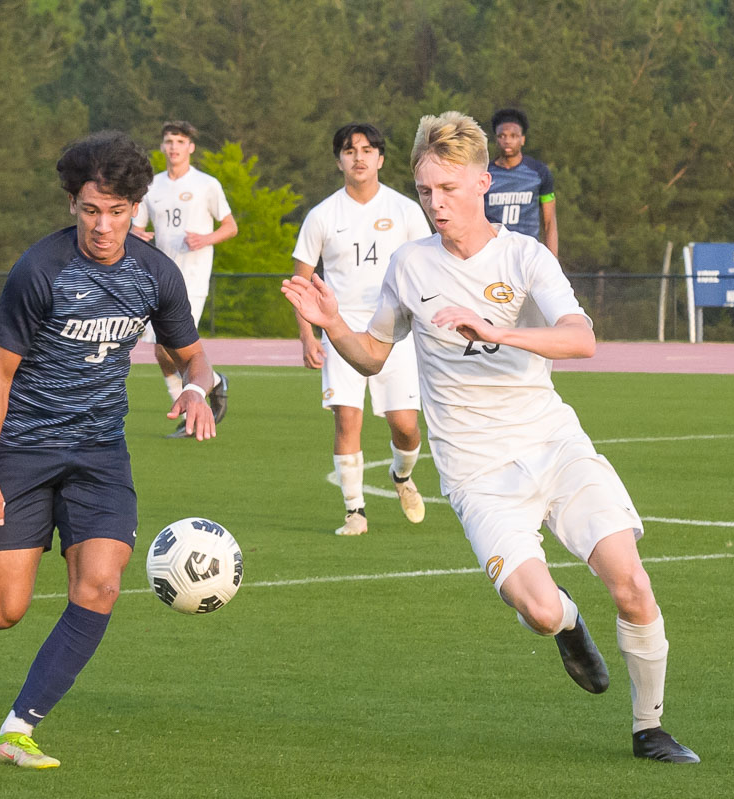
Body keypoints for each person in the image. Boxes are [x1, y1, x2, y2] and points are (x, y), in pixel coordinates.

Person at [281, 111, 699, 764]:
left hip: (554, 446)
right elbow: (371, 353)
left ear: (483, 182)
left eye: (447, 189)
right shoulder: (409, 265)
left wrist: (496, 329)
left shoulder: (525, 257)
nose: (435, 203)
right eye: (424, 191)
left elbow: (581, 337)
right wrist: (333, 321)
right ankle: (566, 623)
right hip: (477, 474)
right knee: (537, 609)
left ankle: (650, 729)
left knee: (632, 583)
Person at [0, 130, 217, 771]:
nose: (103, 226)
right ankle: (27, 541)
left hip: (100, 453)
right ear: (73, 203)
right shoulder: (39, 271)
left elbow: (193, 356)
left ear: (137, 208)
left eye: (118, 212)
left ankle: (17, 728)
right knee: (3, 612)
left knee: (100, 585)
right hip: (23, 452)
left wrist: (198, 391)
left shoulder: (156, 274)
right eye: (90, 210)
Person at [291, 122, 433, 536]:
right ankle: (355, 511)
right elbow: (301, 281)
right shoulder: (322, 215)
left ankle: (402, 476)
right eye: (350, 150)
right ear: (339, 160)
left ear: (381, 159)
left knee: (405, 426)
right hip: (340, 330)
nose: (359, 157)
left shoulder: (406, 210)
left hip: (397, 332)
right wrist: (306, 336)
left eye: (367, 150)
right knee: (346, 419)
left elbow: (426, 268)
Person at [131, 121, 238, 437]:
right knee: (159, 350)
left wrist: (206, 239)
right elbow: (138, 227)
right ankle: (208, 385)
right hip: (159, 276)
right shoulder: (152, 186)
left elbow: (230, 226)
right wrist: (138, 234)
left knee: (170, 344)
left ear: (191, 147)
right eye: (168, 141)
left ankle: (194, 406)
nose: (174, 147)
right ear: (163, 146)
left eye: (180, 141)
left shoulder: (206, 184)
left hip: (192, 277)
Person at [484, 108, 558, 256]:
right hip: (493, 254)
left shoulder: (539, 172)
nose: (507, 140)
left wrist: (552, 260)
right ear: (496, 139)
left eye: (513, 135)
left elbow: (549, 222)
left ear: (522, 139)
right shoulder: (484, 174)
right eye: (502, 136)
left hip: (528, 254)